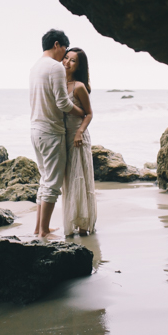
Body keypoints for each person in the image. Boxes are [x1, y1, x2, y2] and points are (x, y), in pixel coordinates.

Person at [30, 29, 85, 238]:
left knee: (45, 179)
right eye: (64, 49)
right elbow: (62, 102)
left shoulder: (35, 67)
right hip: (51, 131)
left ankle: (38, 227)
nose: (65, 55)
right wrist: (81, 112)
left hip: (35, 129)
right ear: (56, 45)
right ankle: (43, 230)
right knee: (52, 183)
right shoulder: (55, 67)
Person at [62, 48, 97, 235]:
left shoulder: (79, 86)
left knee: (80, 179)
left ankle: (83, 227)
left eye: (73, 60)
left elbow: (89, 113)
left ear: (79, 66)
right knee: (68, 181)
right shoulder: (57, 83)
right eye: (66, 57)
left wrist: (80, 133)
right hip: (63, 138)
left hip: (78, 138)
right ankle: (71, 222)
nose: (67, 62)